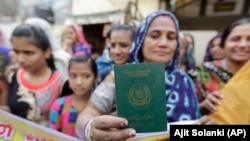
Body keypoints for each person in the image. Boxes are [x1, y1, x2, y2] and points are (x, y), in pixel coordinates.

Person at [75, 10, 201, 141]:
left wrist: (209, 130)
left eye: (171, 37)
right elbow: (85, 117)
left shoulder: (185, 81)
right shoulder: (122, 77)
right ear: (141, 39)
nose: (164, 43)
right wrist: (89, 128)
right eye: (154, 35)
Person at [8, 24, 71, 126]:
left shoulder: (62, 83)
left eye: (28, 53)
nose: (20, 59)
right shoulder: (13, 77)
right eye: (16, 52)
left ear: (47, 52)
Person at [189, 18, 250, 115]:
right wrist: (203, 106)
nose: (243, 45)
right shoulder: (201, 72)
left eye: (249, 39)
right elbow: (183, 113)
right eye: (236, 39)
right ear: (224, 44)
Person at [49, 55, 98, 137]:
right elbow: (52, 137)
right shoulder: (59, 105)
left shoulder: (100, 106)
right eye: (73, 76)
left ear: (96, 78)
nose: (78, 82)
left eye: (86, 76)